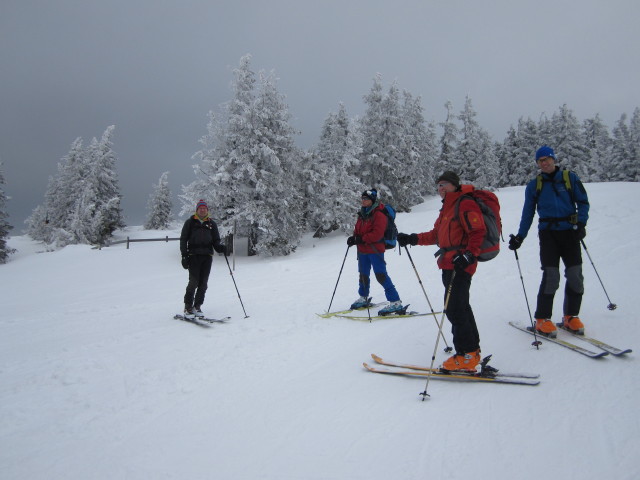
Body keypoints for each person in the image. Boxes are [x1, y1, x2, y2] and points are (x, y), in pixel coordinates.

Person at [397, 171, 486, 372]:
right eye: (438, 185)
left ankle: (466, 356)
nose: (440, 188)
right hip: (448, 263)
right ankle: (472, 351)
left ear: (454, 185)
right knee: (460, 306)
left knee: (454, 308)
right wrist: (412, 238)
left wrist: (469, 255)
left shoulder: (465, 203)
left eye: (444, 184)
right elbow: (436, 235)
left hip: (460, 264)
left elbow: (478, 231)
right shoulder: (447, 208)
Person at [509, 145, 589, 337]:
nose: (544, 163)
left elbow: (583, 202)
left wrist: (581, 224)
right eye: (540, 161)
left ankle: (570, 316)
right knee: (551, 276)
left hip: (570, 232)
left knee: (575, 274)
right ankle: (542, 319)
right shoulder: (534, 185)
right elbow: (528, 213)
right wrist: (520, 236)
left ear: (554, 159)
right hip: (548, 235)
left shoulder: (570, 178)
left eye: (547, 159)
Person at [347, 189, 404, 315]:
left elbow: (377, 234)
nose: (363, 201)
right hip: (362, 250)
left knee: (381, 275)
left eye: (366, 199)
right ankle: (363, 297)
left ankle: (395, 301)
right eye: (362, 198)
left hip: (375, 250)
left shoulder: (379, 214)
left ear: (372, 200)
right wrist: (354, 238)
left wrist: (360, 239)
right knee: (363, 274)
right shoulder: (362, 213)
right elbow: (358, 230)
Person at [180, 199, 226, 319]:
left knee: (203, 283)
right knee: (193, 282)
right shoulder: (190, 222)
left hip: (207, 256)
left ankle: (197, 306)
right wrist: (184, 255)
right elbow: (183, 239)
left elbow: (216, 241)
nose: (202, 210)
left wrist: (221, 248)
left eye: (204, 208)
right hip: (193, 256)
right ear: (197, 210)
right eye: (200, 208)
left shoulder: (211, 224)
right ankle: (188, 307)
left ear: (207, 210)